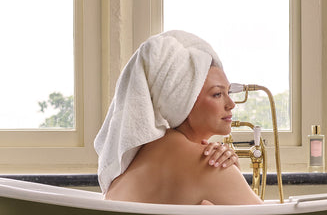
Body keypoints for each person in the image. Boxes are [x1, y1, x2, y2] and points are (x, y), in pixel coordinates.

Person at [94, 31, 263, 205]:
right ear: (184, 102)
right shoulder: (212, 166)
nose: (231, 104)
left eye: (228, 92)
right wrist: (231, 175)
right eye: (217, 94)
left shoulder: (126, 171)